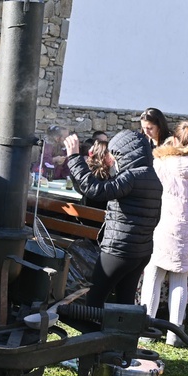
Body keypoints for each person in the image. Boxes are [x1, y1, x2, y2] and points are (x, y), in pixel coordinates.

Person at [64, 129, 162, 309]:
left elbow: (95, 190)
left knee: (94, 302)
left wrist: (74, 159)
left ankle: (93, 335)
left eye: (115, 155)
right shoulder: (151, 176)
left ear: (125, 154)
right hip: (141, 251)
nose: (113, 159)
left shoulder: (131, 177)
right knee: (125, 304)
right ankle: (125, 336)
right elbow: (156, 217)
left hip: (119, 251)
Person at [139, 121, 188, 346]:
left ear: (176, 138)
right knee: (180, 278)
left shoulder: (161, 163)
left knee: (153, 275)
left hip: (162, 223)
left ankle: (146, 330)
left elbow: (150, 192)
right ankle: (175, 333)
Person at [81, 140, 113, 210]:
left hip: (86, 215)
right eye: (110, 154)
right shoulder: (106, 176)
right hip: (101, 217)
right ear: (104, 155)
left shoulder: (88, 172)